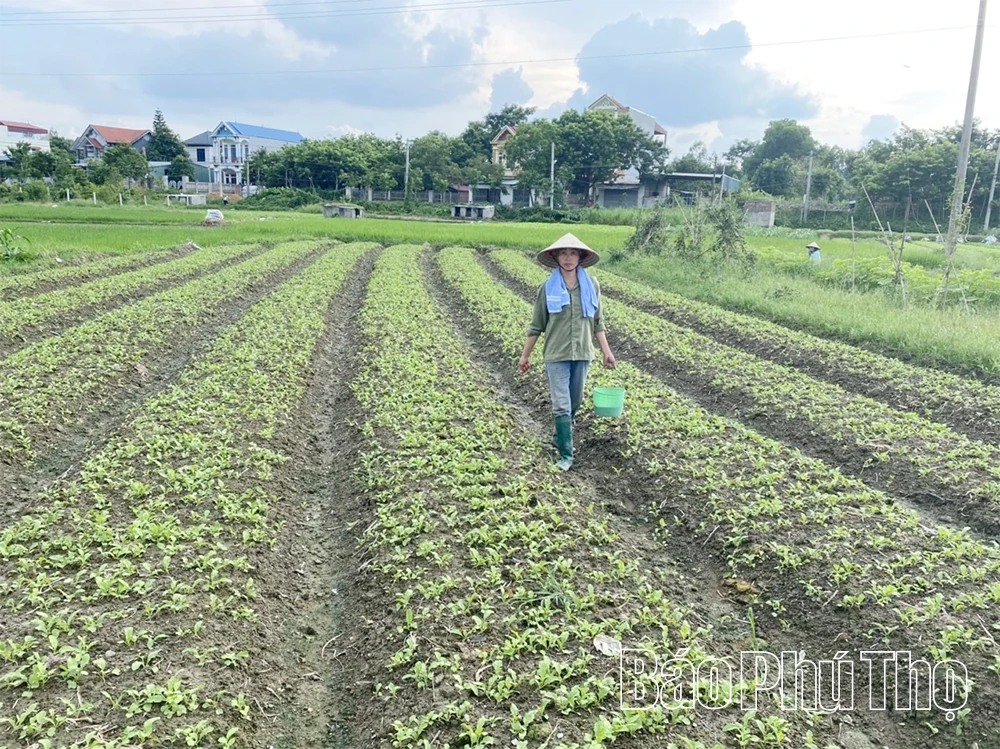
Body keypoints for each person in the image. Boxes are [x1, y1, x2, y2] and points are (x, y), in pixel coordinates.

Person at [518, 233, 616, 471]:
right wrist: (525, 355)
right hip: (556, 353)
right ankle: (566, 454)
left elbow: (597, 322)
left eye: (573, 253)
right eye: (563, 253)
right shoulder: (546, 287)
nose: (569, 258)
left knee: (576, 400)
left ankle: (558, 435)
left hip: (582, 352)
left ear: (581, 257)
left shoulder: (591, 285)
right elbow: (537, 324)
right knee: (561, 404)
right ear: (555, 256)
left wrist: (607, 351)